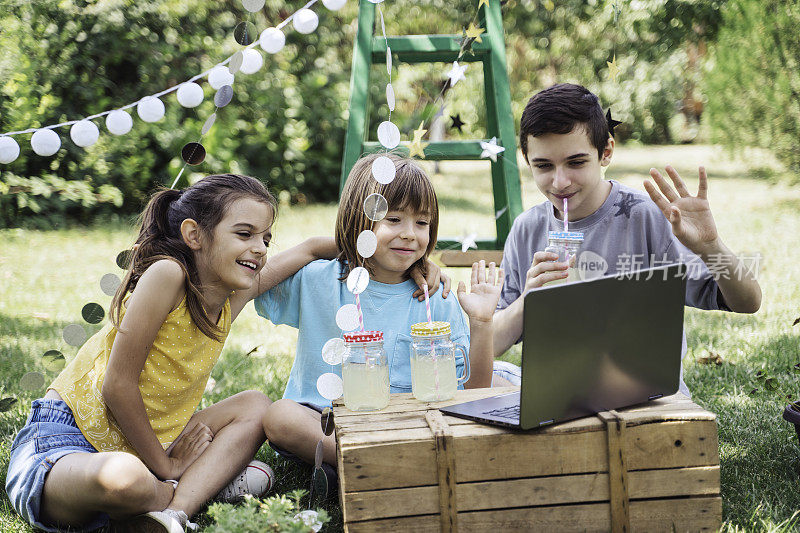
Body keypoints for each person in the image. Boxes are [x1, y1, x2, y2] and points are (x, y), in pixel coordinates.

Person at [5, 174, 339, 533]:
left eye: (266, 238)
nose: (260, 248)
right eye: (245, 234)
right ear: (193, 234)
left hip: (153, 445)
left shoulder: (229, 297)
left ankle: (172, 513)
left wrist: (404, 261)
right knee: (125, 478)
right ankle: (186, 488)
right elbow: (117, 385)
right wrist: (166, 467)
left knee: (256, 405)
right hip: (70, 443)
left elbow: (311, 248)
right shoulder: (167, 274)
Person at [493, 83, 762, 393]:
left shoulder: (647, 216)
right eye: (543, 166)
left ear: (606, 151)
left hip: (649, 398)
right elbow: (491, 346)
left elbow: (748, 302)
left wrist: (711, 246)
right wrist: (529, 301)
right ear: (527, 159)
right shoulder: (527, 229)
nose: (560, 181)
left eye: (576, 162)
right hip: (562, 397)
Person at [257, 153, 504, 475]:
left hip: (409, 427)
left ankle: (359, 467)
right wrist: (315, 247)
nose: (410, 234)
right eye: (394, 219)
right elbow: (253, 284)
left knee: (503, 384)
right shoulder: (320, 279)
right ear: (358, 220)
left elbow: (473, 393)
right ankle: (385, 465)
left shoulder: (434, 298)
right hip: (324, 424)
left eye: (422, 223)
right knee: (279, 416)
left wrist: (482, 324)